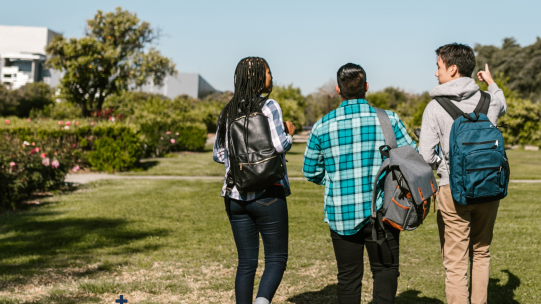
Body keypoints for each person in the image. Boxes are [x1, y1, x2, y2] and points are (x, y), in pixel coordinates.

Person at [302, 63, 417, 303]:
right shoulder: (389, 120)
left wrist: (334, 179)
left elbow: (310, 171)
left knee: (348, 278)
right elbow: (411, 158)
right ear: (366, 87)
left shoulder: (322, 125)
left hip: (342, 212)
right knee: (385, 271)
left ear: (338, 89)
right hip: (384, 211)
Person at [418, 43, 507, 304]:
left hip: (452, 190)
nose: (436, 73)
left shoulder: (435, 108)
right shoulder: (489, 101)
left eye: (439, 66)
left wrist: (442, 164)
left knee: (455, 262)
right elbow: (501, 101)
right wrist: (491, 82)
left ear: (453, 68)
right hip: (489, 188)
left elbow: (424, 156)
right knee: (481, 253)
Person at [213, 57, 295, 304]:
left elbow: (218, 154)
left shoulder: (227, 111)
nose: (271, 76)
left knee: (246, 263)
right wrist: (289, 132)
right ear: (259, 78)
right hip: (268, 193)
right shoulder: (269, 106)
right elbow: (280, 145)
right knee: (276, 258)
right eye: (268, 72)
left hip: (235, 196)